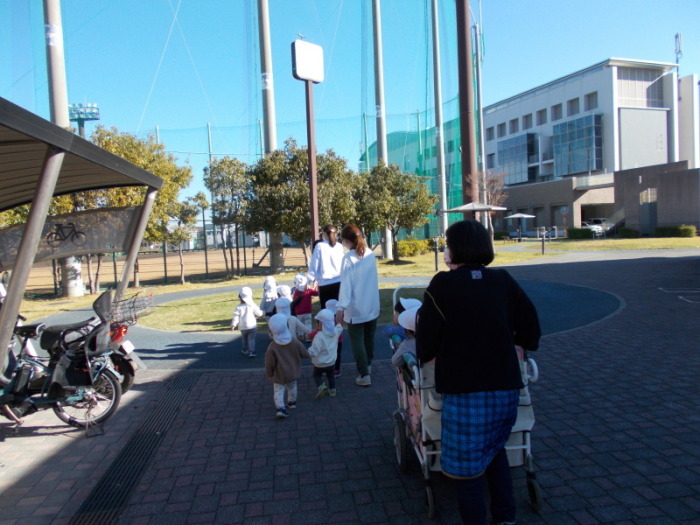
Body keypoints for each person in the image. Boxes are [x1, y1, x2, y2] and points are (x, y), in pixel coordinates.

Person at [416, 220, 541, 525]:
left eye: (447, 244)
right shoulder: (503, 280)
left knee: (466, 471)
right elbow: (531, 330)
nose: (445, 250)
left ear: (456, 248)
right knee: (494, 449)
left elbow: (426, 345)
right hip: (506, 389)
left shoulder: (442, 285)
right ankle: (505, 517)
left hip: (465, 392)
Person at [335, 224, 380, 387]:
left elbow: (346, 285)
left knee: (357, 341)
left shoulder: (348, 258)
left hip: (355, 307)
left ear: (347, 240)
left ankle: (364, 373)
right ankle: (367, 366)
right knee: (369, 339)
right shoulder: (370, 254)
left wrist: (340, 307)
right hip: (372, 304)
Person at [264, 313, 310, 419]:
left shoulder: (272, 346)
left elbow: (269, 362)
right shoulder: (294, 341)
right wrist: (308, 354)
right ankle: (292, 402)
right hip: (292, 372)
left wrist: (269, 373)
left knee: (278, 391)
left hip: (279, 374)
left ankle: (281, 408)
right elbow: (304, 353)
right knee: (292, 387)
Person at [308, 308, 343, 399]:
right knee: (331, 377)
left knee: (316, 375)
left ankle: (321, 387)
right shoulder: (335, 332)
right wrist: (339, 322)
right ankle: (332, 390)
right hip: (331, 362)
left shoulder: (319, 336)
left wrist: (308, 352)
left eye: (317, 322)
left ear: (321, 324)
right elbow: (340, 328)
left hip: (319, 363)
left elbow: (315, 350)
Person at [307, 224, 345, 308]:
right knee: (338, 309)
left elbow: (314, 264)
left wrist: (309, 280)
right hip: (339, 282)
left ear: (323, 233)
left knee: (326, 310)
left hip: (324, 284)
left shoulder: (320, 246)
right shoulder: (339, 246)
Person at [231, 286, 264, 358]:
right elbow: (259, 313)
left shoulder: (238, 307)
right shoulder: (252, 305)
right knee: (251, 339)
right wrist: (263, 313)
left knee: (244, 338)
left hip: (243, 326)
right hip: (252, 325)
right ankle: (252, 351)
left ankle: (245, 349)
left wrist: (234, 324)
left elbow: (236, 316)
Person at [325, 299, 344, 377]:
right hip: (339, 339)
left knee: (328, 354)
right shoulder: (341, 315)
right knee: (338, 354)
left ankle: (328, 368)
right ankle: (337, 370)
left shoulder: (326, 317)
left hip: (328, 339)